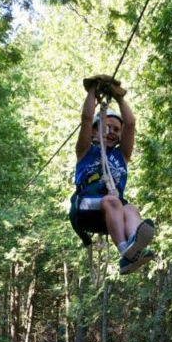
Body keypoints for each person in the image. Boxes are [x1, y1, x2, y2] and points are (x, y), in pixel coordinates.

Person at [70, 75, 156, 275]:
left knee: (131, 209)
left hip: (109, 213)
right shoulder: (85, 151)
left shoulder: (121, 155)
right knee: (114, 202)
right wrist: (93, 90)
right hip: (86, 206)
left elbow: (131, 124)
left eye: (117, 130)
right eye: (107, 127)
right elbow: (86, 118)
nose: (113, 132)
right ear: (94, 132)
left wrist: (119, 98)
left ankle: (133, 247)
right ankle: (125, 251)